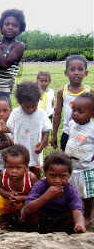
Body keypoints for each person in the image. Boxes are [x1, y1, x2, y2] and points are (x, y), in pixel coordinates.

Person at [21, 152, 86, 234]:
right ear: (45, 173)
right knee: (27, 212)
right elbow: (28, 208)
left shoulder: (70, 190)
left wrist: (79, 224)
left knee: (71, 217)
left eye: (63, 176)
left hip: (61, 221)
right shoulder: (40, 185)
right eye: (52, 175)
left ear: (69, 175)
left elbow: (77, 210)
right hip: (43, 220)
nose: (57, 180)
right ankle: (32, 233)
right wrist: (47, 196)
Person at [7, 82, 52, 178]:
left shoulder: (41, 114)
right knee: (19, 173)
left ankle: (35, 191)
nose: (31, 109)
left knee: (35, 173)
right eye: (27, 107)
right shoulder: (15, 113)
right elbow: (9, 128)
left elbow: (46, 131)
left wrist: (43, 144)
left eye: (34, 106)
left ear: (38, 101)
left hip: (35, 150)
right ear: (20, 103)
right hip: (19, 152)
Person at [64, 93, 94, 225]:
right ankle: (75, 212)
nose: (75, 113)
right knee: (72, 192)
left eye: (80, 111)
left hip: (85, 168)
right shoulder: (71, 124)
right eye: (74, 110)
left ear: (92, 114)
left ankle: (88, 215)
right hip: (71, 166)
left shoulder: (92, 129)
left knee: (87, 194)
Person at [52, 55, 92, 151]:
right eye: (72, 69)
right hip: (67, 133)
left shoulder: (90, 92)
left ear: (86, 73)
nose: (76, 73)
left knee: (84, 159)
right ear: (66, 73)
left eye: (80, 69)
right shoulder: (62, 91)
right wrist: (54, 135)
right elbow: (57, 114)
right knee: (67, 161)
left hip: (85, 133)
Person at [0, 145, 38, 223]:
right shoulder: (3, 175)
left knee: (33, 209)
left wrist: (22, 198)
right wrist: (7, 194)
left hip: (27, 202)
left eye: (18, 168)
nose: (14, 171)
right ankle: (6, 220)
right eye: (10, 167)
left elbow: (37, 195)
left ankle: (29, 223)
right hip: (10, 201)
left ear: (26, 167)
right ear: (5, 165)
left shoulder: (31, 178)